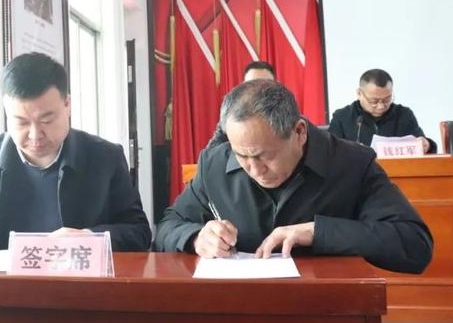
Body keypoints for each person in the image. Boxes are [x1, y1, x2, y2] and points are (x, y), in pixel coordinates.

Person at [154, 80, 433, 274]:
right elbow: (168, 226)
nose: (255, 169)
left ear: (299, 132)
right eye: (242, 155)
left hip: (327, 310)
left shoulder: (352, 164)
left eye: (265, 156)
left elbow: (415, 245)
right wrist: (196, 237)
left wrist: (317, 232)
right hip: (240, 308)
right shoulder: (214, 163)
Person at [0, 52, 151, 257]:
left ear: (67, 105)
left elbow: (139, 232)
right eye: (21, 122)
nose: (35, 135)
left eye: (47, 120)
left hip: (77, 286)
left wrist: (91, 239)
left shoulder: (105, 158)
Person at [328, 68, 436, 153]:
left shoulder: (404, 115)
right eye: (373, 101)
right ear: (359, 93)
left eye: (386, 100)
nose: (380, 106)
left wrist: (426, 144)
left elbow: (422, 147)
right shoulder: (342, 117)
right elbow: (330, 153)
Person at [206, 60, 276, 148]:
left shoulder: (287, 109)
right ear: (243, 86)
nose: (259, 89)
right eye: (252, 84)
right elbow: (213, 149)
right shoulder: (232, 112)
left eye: (265, 84)